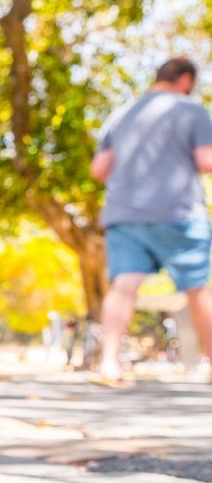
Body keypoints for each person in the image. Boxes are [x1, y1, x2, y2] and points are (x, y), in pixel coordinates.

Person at [91, 55, 212, 384]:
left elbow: (99, 169)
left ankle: (108, 363)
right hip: (178, 212)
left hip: (124, 212)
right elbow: (206, 160)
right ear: (186, 80)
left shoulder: (122, 114)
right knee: (198, 289)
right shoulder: (191, 111)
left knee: (124, 285)